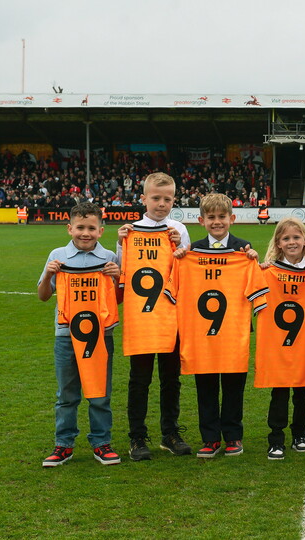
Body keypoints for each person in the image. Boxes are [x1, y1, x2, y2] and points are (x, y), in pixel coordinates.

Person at [171, 193, 262, 459]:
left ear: (232, 219)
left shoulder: (243, 250)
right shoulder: (192, 251)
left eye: (222, 217)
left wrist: (253, 260)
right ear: (201, 220)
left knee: (234, 385)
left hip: (235, 331)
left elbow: (254, 287)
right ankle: (210, 438)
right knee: (206, 385)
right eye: (211, 217)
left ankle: (233, 436)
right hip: (202, 333)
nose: (217, 222)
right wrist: (180, 258)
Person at [38, 202, 122, 467]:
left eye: (91, 228)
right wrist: (49, 275)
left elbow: (117, 300)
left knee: (99, 393)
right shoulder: (58, 255)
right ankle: (63, 445)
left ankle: (101, 442)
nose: (85, 233)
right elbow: (43, 296)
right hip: (65, 335)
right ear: (69, 228)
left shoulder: (109, 257)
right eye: (80, 227)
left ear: (101, 231)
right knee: (67, 394)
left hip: (100, 335)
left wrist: (118, 277)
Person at [116, 172, 193, 460]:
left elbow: (186, 271)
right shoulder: (130, 229)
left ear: (175, 200)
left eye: (167, 199)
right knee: (140, 379)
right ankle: (137, 437)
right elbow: (123, 270)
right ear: (143, 198)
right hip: (141, 318)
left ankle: (170, 433)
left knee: (171, 379)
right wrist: (121, 242)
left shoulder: (178, 229)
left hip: (171, 317)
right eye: (156, 198)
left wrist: (180, 247)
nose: (161, 204)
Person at [255, 217, 305, 460]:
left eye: (296, 237)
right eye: (286, 238)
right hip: (277, 345)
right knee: (280, 390)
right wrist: (258, 270)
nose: (292, 242)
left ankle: (300, 434)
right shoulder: (268, 272)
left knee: (303, 391)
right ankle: (275, 438)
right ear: (278, 243)